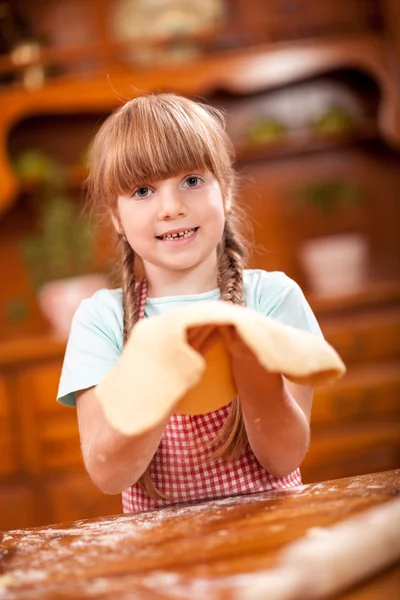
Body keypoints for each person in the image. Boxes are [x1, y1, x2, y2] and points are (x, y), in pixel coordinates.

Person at [57, 93, 323, 514]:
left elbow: (284, 457)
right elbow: (108, 474)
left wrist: (250, 363)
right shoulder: (101, 320)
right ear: (116, 218)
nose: (172, 208)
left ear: (227, 191)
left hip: (272, 539)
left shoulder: (274, 300)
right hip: (162, 560)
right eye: (143, 190)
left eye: (192, 181)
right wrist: (163, 378)